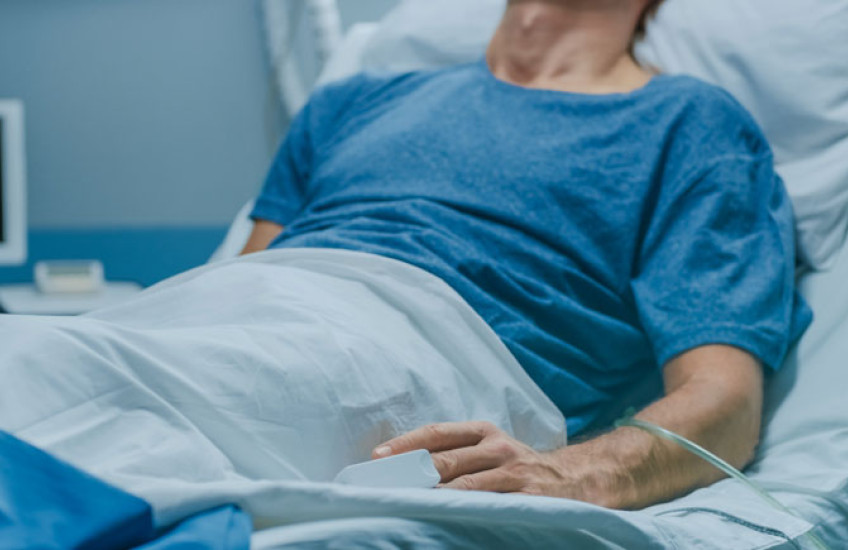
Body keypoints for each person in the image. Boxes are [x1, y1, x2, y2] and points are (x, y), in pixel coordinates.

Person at [241, 0, 811, 509]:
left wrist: (573, 473)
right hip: (249, 333)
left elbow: (726, 405)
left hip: (413, 363)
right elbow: (238, 289)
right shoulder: (350, 101)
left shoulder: (693, 125)